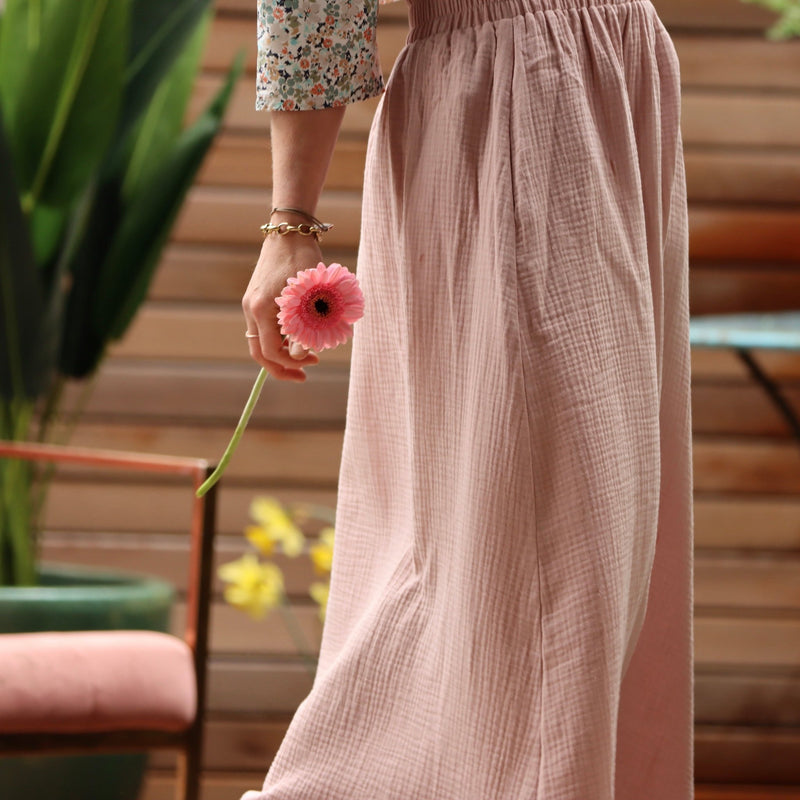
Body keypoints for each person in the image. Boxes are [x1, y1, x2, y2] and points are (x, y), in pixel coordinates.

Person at [241, 0, 694, 796]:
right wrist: (291, 220)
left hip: (614, 82)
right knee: (530, 588)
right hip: (514, 95)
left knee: (605, 580)